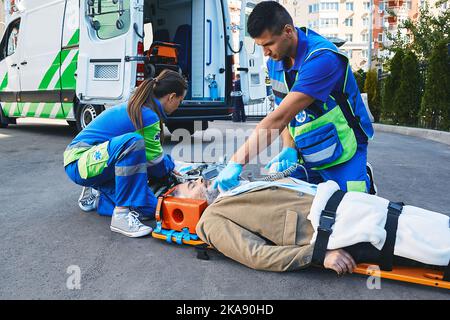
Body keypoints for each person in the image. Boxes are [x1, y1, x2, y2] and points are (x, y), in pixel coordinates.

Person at [214, 2, 376, 194]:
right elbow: (282, 110)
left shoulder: (322, 59)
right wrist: (289, 147)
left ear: (288, 31)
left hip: (345, 147)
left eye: (268, 44)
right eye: (260, 46)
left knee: (349, 208)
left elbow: (278, 119)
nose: (265, 52)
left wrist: (236, 162)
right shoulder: (275, 62)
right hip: (309, 148)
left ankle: (363, 181)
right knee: (298, 206)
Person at [171, 177, 450, 276]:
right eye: (191, 186)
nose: (200, 181)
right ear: (187, 207)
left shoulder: (227, 191)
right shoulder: (211, 220)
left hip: (344, 203)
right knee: (428, 243)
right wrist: (319, 255)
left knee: (416, 218)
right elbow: (255, 255)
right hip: (335, 228)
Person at [64, 70, 188, 238]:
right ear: (171, 97)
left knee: (151, 208)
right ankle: (121, 215)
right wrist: (171, 167)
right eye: (179, 101)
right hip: (79, 161)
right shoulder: (148, 114)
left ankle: (98, 193)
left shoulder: (143, 108)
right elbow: (155, 163)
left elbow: (151, 160)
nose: (178, 106)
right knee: (133, 143)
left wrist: (166, 167)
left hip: (95, 163)